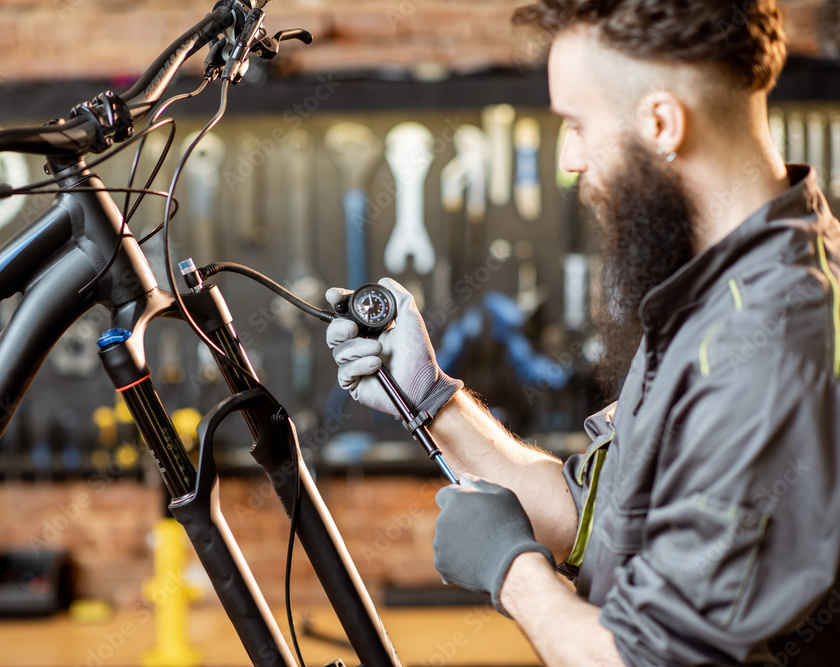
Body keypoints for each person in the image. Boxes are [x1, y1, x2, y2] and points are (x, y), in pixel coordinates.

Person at [325, 0, 840, 664]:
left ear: (661, 122)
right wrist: (428, 396)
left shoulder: (768, 340)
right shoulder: (715, 289)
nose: (568, 159)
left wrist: (512, 569)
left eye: (576, 123)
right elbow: (593, 517)